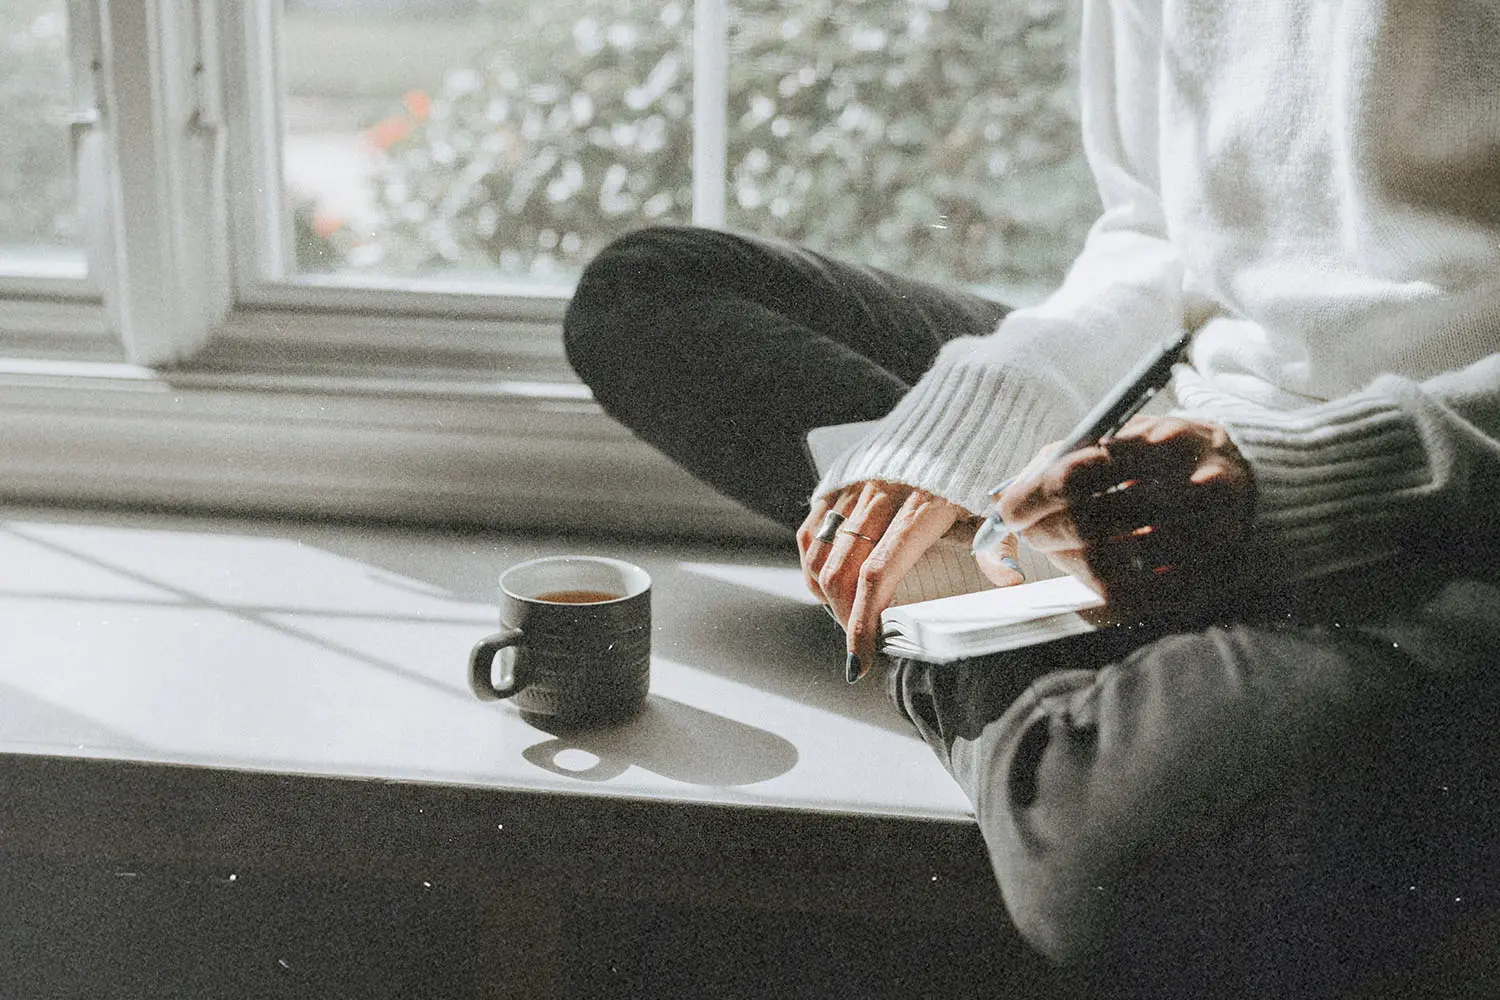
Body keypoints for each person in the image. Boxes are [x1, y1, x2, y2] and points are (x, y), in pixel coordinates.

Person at [563, 0, 1500, 994]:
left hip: (1443, 511)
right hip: (1183, 414)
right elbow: (1153, 232)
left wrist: (1291, 482)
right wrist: (964, 422)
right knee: (650, 296)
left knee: (1108, 852)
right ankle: (1025, 603)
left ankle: (958, 607)